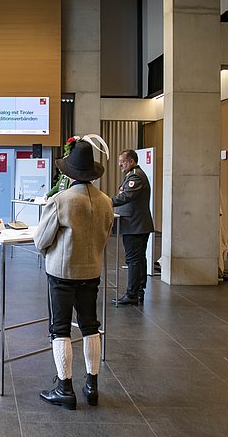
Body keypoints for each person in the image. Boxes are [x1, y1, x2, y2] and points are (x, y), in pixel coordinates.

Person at [34, 139, 115, 410]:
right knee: (90, 325)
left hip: (62, 272)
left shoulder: (61, 200)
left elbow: (41, 240)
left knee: (60, 329)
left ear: (70, 173)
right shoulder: (105, 201)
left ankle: (64, 387)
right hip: (91, 270)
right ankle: (92, 385)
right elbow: (105, 236)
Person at [112, 149, 154, 305]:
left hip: (135, 226)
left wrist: (105, 201)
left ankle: (132, 294)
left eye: (122, 161)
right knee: (138, 259)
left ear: (131, 161)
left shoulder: (135, 176)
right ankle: (138, 292)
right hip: (136, 225)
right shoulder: (133, 174)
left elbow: (126, 196)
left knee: (133, 260)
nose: (120, 164)